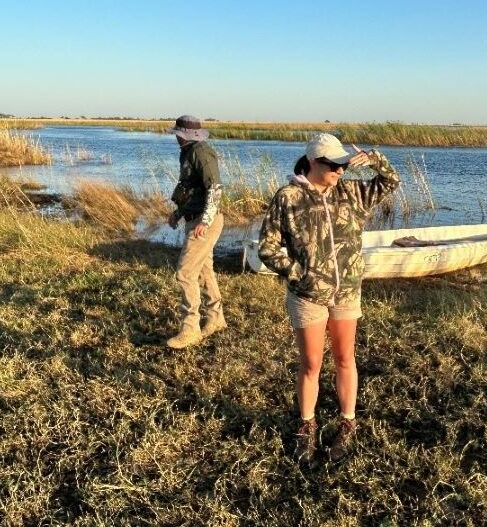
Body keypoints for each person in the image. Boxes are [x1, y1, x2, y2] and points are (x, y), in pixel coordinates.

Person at [259, 133, 400, 462]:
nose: (340, 169)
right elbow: (267, 246)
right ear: (312, 163)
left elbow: (391, 180)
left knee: (345, 359)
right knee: (311, 364)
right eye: (332, 164)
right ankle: (307, 426)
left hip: (347, 292)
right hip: (308, 296)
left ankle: (348, 423)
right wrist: (299, 274)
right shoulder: (289, 197)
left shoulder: (352, 192)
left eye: (342, 164)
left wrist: (374, 157)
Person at [165, 115, 227, 349]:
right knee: (203, 270)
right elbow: (191, 189)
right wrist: (178, 212)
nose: (176, 137)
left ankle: (190, 329)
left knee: (185, 273)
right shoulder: (188, 151)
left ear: (187, 135)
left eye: (178, 134)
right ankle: (215, 318)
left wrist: (205, 220)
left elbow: (215, 188)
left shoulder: (201, 152)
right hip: (196, 218)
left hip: (204, 221)